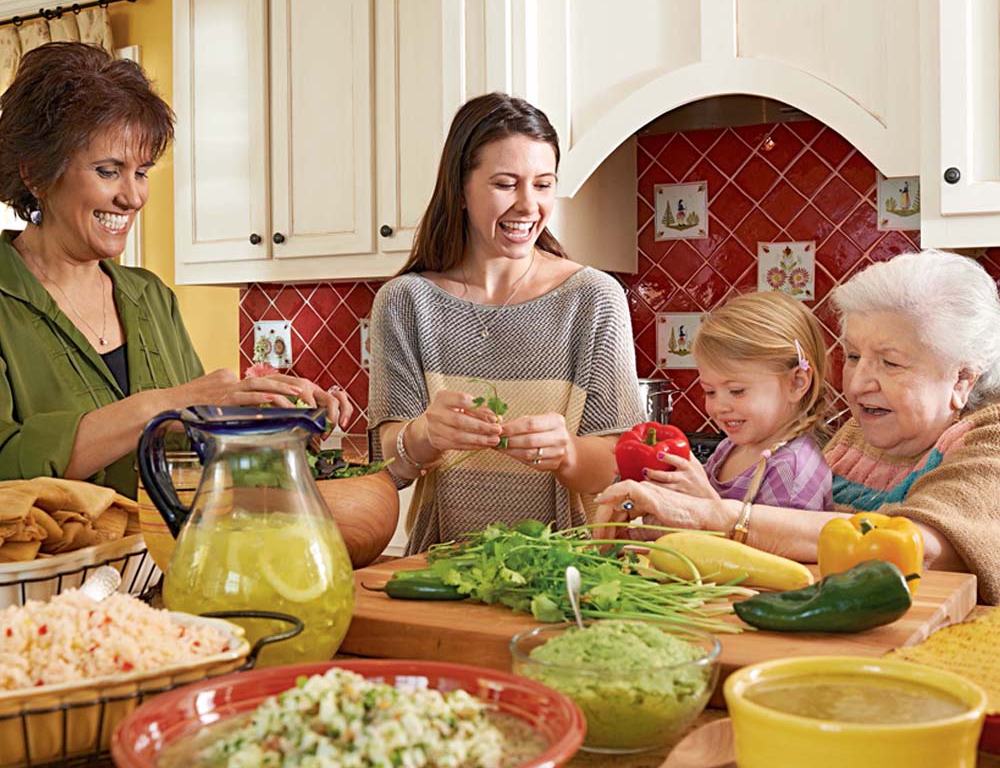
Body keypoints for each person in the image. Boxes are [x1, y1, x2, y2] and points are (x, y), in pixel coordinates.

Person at [0, 42, 351, 498]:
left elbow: (194, 445)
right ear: (36, 174)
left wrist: (275, 414)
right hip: (52, 569)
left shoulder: (150, 298)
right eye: (109, 171)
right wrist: (171, 402)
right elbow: (8, 463)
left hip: (166, 560)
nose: (133, 196)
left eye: (141, 172)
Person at [595, 250, 1000, 605]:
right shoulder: (859, 435)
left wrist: (715, 517)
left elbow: (920, 546)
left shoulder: (987, 439)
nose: (857, 383)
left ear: (962, 379)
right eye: (854, 356)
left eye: (890, 363)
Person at [368, 92, 644, 553]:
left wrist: (568, 453)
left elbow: (614, 468)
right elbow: (387, 466)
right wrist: (423, 435)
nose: (528, 205)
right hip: (442, 564)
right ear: (459, 189)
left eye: (542, 184)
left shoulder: (594, 299)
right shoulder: (404, 302)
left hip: (571, 569)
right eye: (505, 183)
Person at [643, 291, 832, 520]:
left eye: (737, 391)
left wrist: (705, 503)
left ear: (796, 383)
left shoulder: (791, 470)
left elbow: (775, 554)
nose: (719, 406)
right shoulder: (730, 448)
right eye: (710, 391)